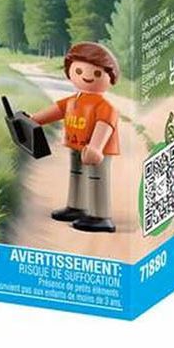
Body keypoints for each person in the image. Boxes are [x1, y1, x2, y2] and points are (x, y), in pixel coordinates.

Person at [29, 42, 121, 233]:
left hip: (97, 151)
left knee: (97, 179)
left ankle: (100, 215)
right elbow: (55, 111)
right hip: (76, 146)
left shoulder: (104, 106)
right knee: (76, 175)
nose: (86, 76)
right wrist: (33, 120)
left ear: (110, 77)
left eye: (97, 73)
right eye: (78, 71)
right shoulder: (72, 101)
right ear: (69, 71)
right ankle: (76, 206)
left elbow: (104, 125)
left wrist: (96, 147)